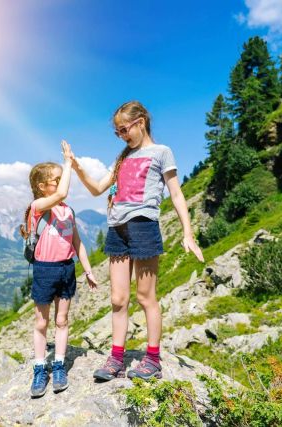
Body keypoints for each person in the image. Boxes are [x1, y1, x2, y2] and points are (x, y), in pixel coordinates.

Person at [70, 101, 204, 381]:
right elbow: (97, 189)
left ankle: (153, 359)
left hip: (144, 227)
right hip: (117, 228)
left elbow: (177, 194)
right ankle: (116, 358)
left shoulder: (162, 152)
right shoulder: (121, 157)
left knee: (146, 296)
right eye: (117, 132)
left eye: (124, 130)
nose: (122, 136)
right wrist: (77, 168)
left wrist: (188, 233)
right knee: (118, 298)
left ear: (140, 122)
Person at [20, 140, 98, 397]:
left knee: (62, 320)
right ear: (42, 187)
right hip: (44, 269)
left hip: (66, 269)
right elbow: (61, 194)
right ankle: (40, 368)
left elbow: (78, 243)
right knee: (41, 321)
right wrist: (67, 162)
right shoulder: (37, 207)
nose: (63, 182)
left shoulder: (68, 211)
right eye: (57, 179)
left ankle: (59, 365)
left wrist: (87, 270)